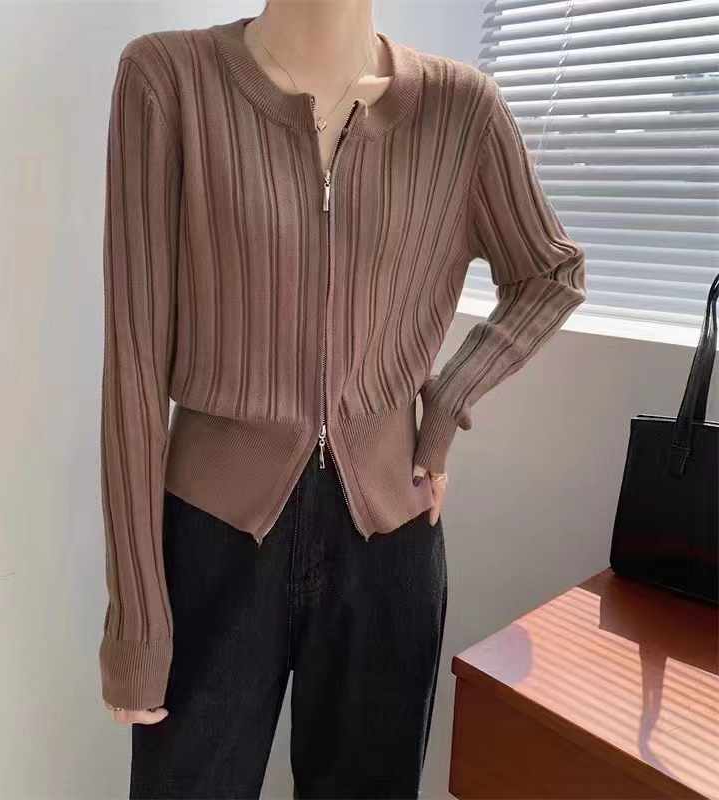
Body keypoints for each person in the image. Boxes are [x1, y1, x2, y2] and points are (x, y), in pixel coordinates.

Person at [97, 2, 587, 797]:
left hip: (388, 544)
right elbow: (133, 365)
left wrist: (445, 405)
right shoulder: (169, 79)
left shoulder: (461, 110)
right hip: (212, 543)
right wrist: (137, 620)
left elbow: (551, 273)